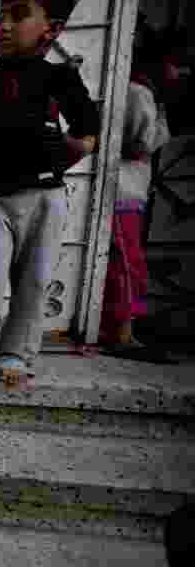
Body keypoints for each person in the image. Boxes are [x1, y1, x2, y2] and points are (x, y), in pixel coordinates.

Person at [0, 0, 101, 387]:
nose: (5, 26)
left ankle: (15, 353)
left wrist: (61, 152)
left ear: (51, 30)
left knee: (34, 281)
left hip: (46, 198)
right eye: (0, 18)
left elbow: (88, 131)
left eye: (18, 17)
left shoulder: (59, 80)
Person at [99, 31, 176, 351]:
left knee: (126, 263)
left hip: (130, 192)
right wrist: (159, 116)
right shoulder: (138, 92)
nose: (180, 72)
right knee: (127, 265)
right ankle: (122, 332)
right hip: (123, 191)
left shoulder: (142, 92)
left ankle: (123, 328)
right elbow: (141, 144)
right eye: (176, 64)